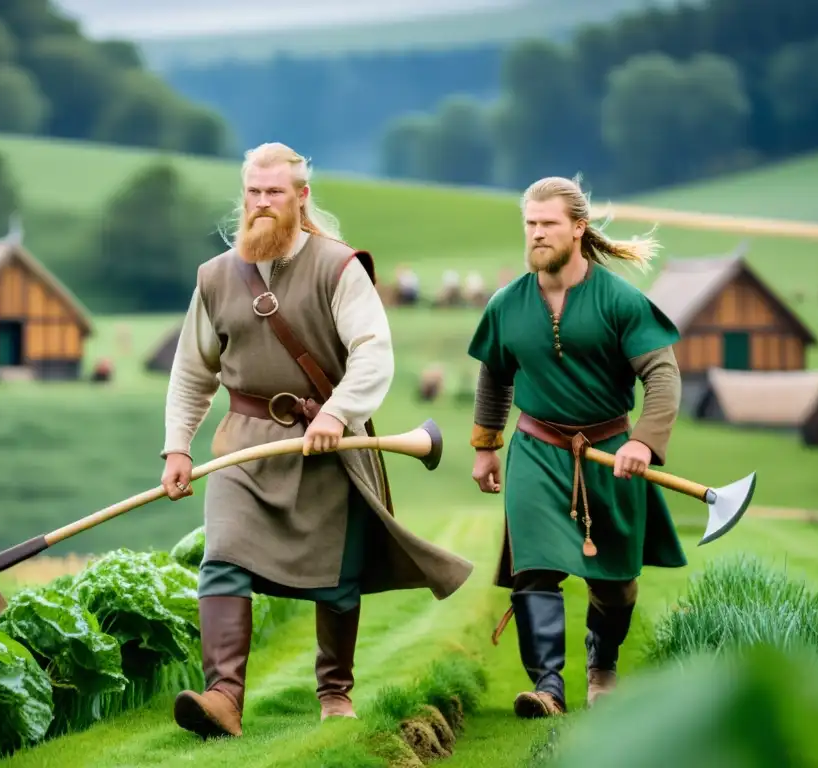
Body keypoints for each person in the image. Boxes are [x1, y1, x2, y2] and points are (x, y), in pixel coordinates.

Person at [160, 141, 474, 740]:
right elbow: (192, 372)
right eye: (253, 192)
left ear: (301, 198)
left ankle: (335, 692)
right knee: (221, 557)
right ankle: (224, 698)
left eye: (274, 192)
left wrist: (338, 413)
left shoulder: (338, 267)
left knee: (336, 578)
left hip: (327, 444)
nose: (261, 203)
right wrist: (178, 446)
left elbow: (373, 354)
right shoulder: (216, 277)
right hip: (243, 449)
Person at [466, 175, 687, 719]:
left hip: (610, 455)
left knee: (616, 584)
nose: (537, 234)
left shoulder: (620, 301)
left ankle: (602, 664)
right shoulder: (507, 304)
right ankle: (548, 687)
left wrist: (644, 442)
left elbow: (662, 375)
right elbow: (495, 376)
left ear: (578, 229)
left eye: (548, 224)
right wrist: (486, 446)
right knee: (534, 566)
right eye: (530, 224)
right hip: (537, 449)